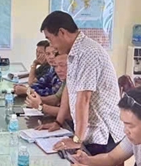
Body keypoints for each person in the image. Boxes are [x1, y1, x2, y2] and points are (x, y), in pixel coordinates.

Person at [40, 11, 124, 155]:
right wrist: (58, 122)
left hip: (102, 133)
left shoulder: (87, 52)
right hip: (87, 130)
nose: (51, 46)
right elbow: (69, 88)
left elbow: (84, 98)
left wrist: (77, 140)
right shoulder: (74, 52)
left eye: (50, 39)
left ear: (62, 32)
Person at [25, 51, 69, 119]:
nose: (58, 70)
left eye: (62, 65)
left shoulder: (75, 81)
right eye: (55, 66)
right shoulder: (64, 79)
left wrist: (40, 106)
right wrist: (37, 99)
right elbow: (55, 98)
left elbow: (69, 114)